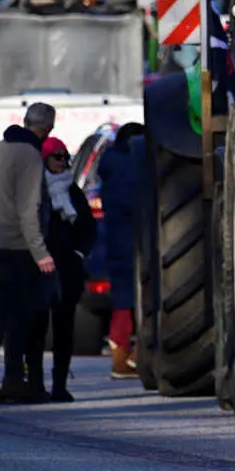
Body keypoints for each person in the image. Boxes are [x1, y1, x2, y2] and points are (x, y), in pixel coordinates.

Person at [0, 103, 56, 405]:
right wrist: (40, 252)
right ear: (48, 127)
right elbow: (28, 208)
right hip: (20, 246)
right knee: (20, 316)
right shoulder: (31, 156)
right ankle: (13, 379)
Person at [29, 136, 95, 402]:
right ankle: (35, 383)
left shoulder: (72, 191)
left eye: (65, 157)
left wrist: (79, 253)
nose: (62, 163)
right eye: (57, 157)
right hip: (41, 266)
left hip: (67, 268)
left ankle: (59, 383)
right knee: (37, 326)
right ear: (45, 160)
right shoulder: (36, 190)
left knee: (64, 328)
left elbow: (89, 227)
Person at [98, 123, 143, 379]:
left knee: (122, 302)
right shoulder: (131, 167)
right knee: (138, 300)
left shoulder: (110, 166)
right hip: (133, 242)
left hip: (115, 241)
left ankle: (121, 358)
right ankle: (133, 358)